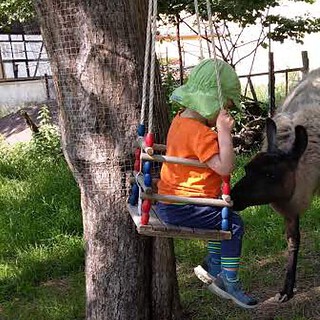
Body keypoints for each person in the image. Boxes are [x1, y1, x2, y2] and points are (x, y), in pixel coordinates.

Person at [156, 58, 257, 309]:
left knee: (221, 216)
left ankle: (213, 264)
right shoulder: (201, 133)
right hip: (184, 206)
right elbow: (225, 166)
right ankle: (228, 281)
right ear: (212, 102)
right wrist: (223, 132)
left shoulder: (180, 120)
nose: (225, 114)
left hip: (171, 201)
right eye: (226, 107)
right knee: (232, 225)